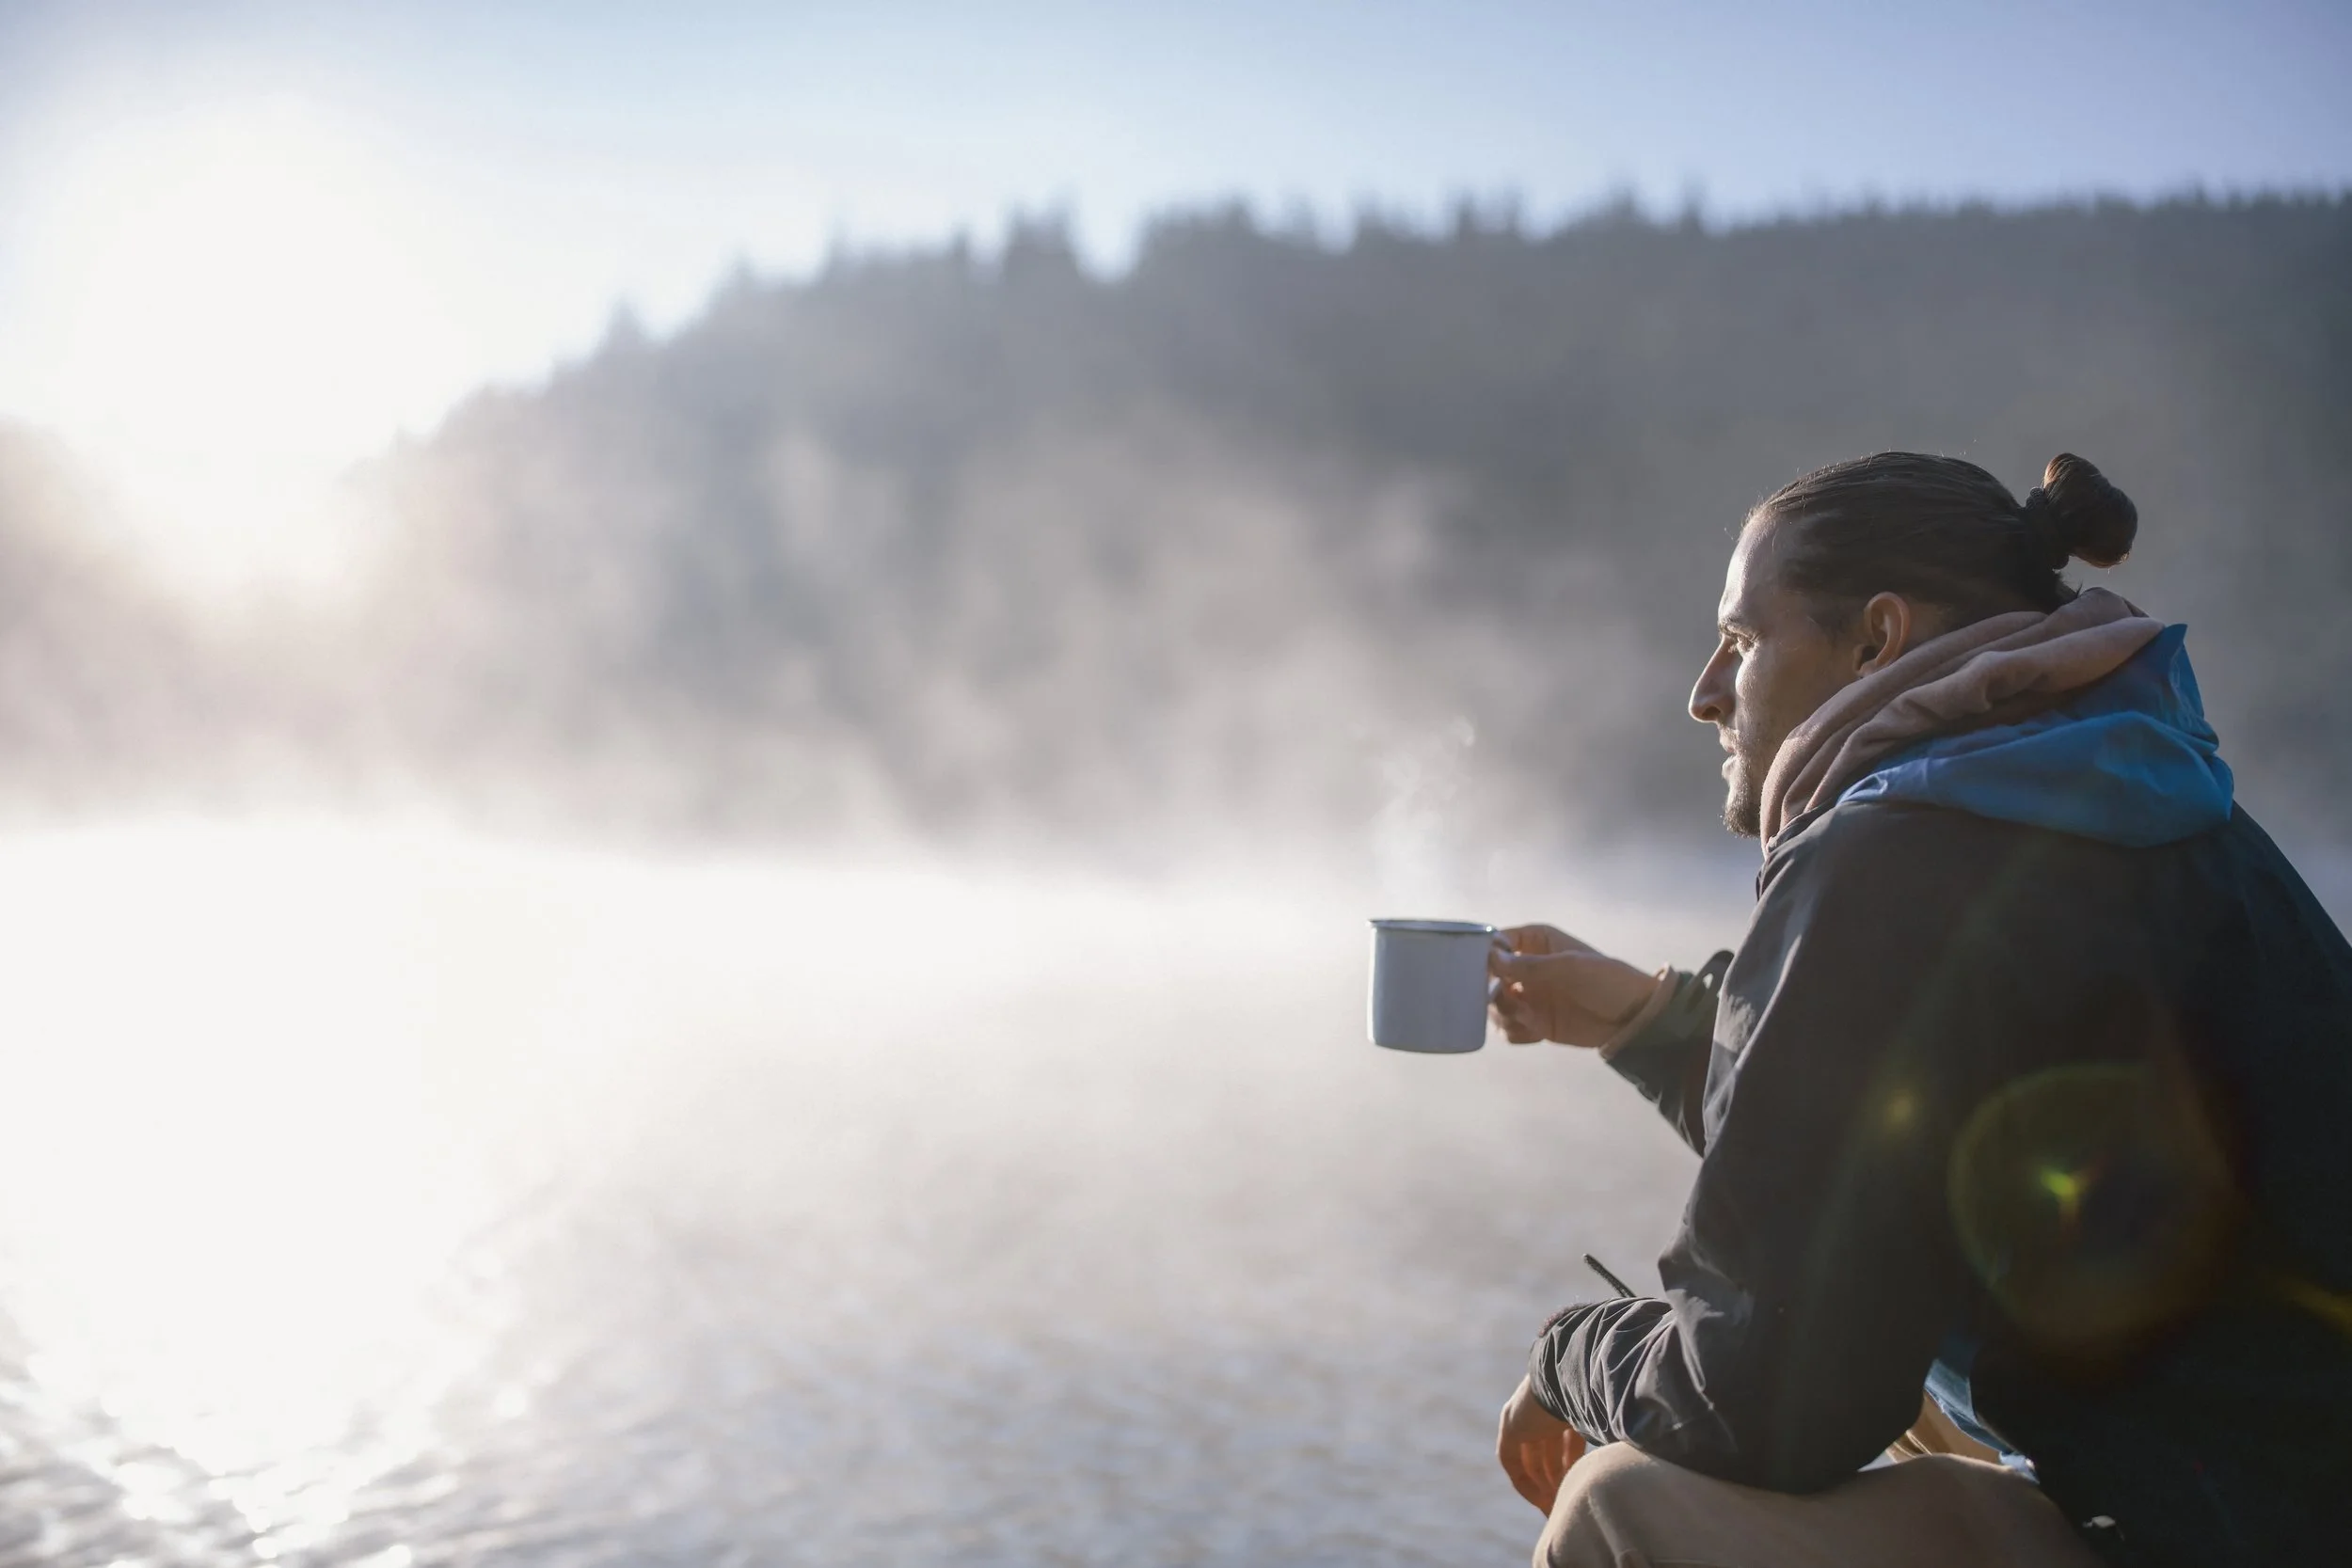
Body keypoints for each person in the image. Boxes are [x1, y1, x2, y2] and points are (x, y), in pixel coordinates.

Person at [1486, 451, 2352, 1568]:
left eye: (1742, 641)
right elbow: (1919, 1132)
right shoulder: (2164, 813)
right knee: (1907, 1391)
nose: (1704, 691)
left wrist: (1565, 1355)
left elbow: (1770, 1397)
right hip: (2253, 1488)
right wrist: (1647, 1019)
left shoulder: (1889, 849)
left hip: (2203, 1525)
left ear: (1875, 641)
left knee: (1623, 1504)